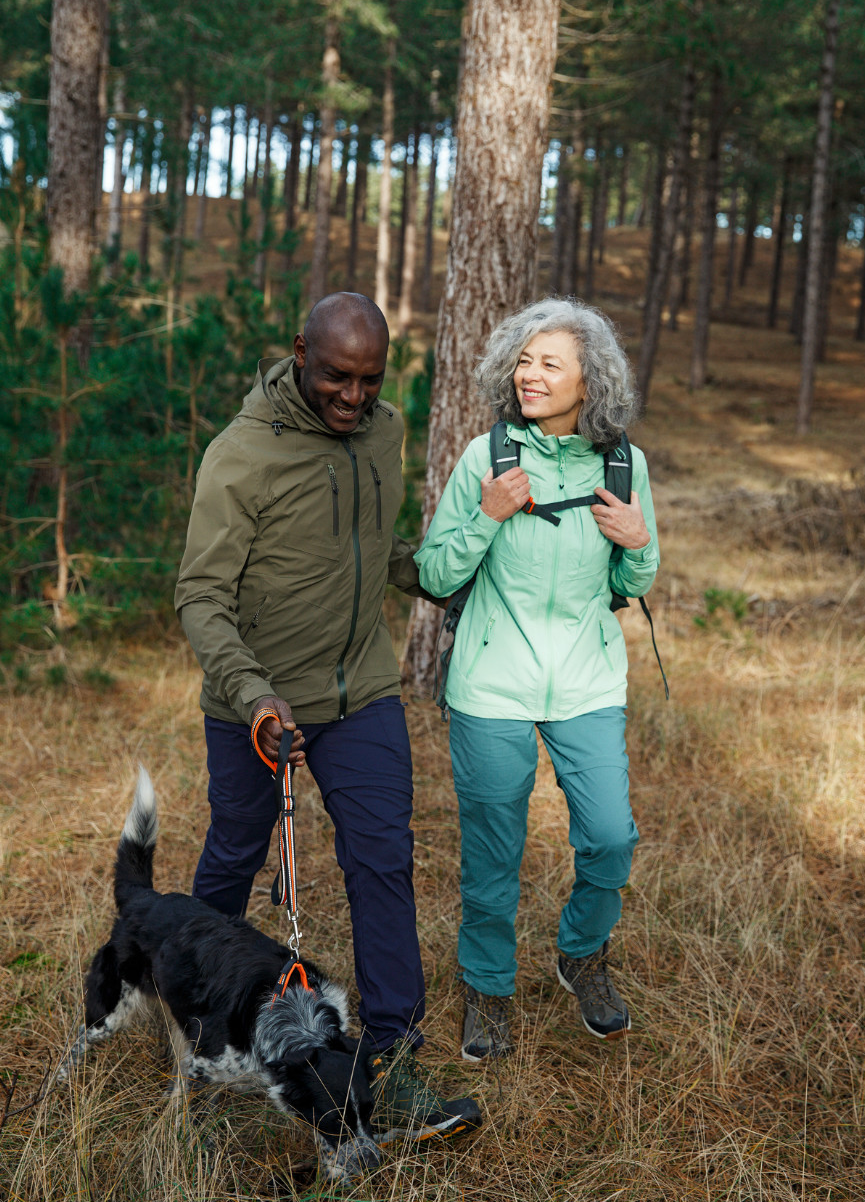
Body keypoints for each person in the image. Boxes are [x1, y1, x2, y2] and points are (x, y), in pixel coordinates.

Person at [175, 292, 480, 1141]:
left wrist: (458, 575)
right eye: (338, 377)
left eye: (370, 380)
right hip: (257, 700)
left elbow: (375, 549)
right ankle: (199, 1032)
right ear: (300, 352)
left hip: (361, 693)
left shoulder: (383, 433)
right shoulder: (242, 454)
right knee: (233, 856)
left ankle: (395, 1061)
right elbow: (200, 594)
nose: (354, 397)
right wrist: (255, 695)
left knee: (383, 858)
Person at [414, 297, 659, 1061]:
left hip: (588, 680)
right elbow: (433, 573)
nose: (531, 375)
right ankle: (488, 988)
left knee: (610, 838)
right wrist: (487, 515)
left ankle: (581, 953)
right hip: (492, 685)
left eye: (551, 363)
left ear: (591, 381)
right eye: (524, 361)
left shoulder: (623, 465)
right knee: (493, 856)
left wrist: (639, 542)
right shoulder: (485, 459)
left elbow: (631, 580)